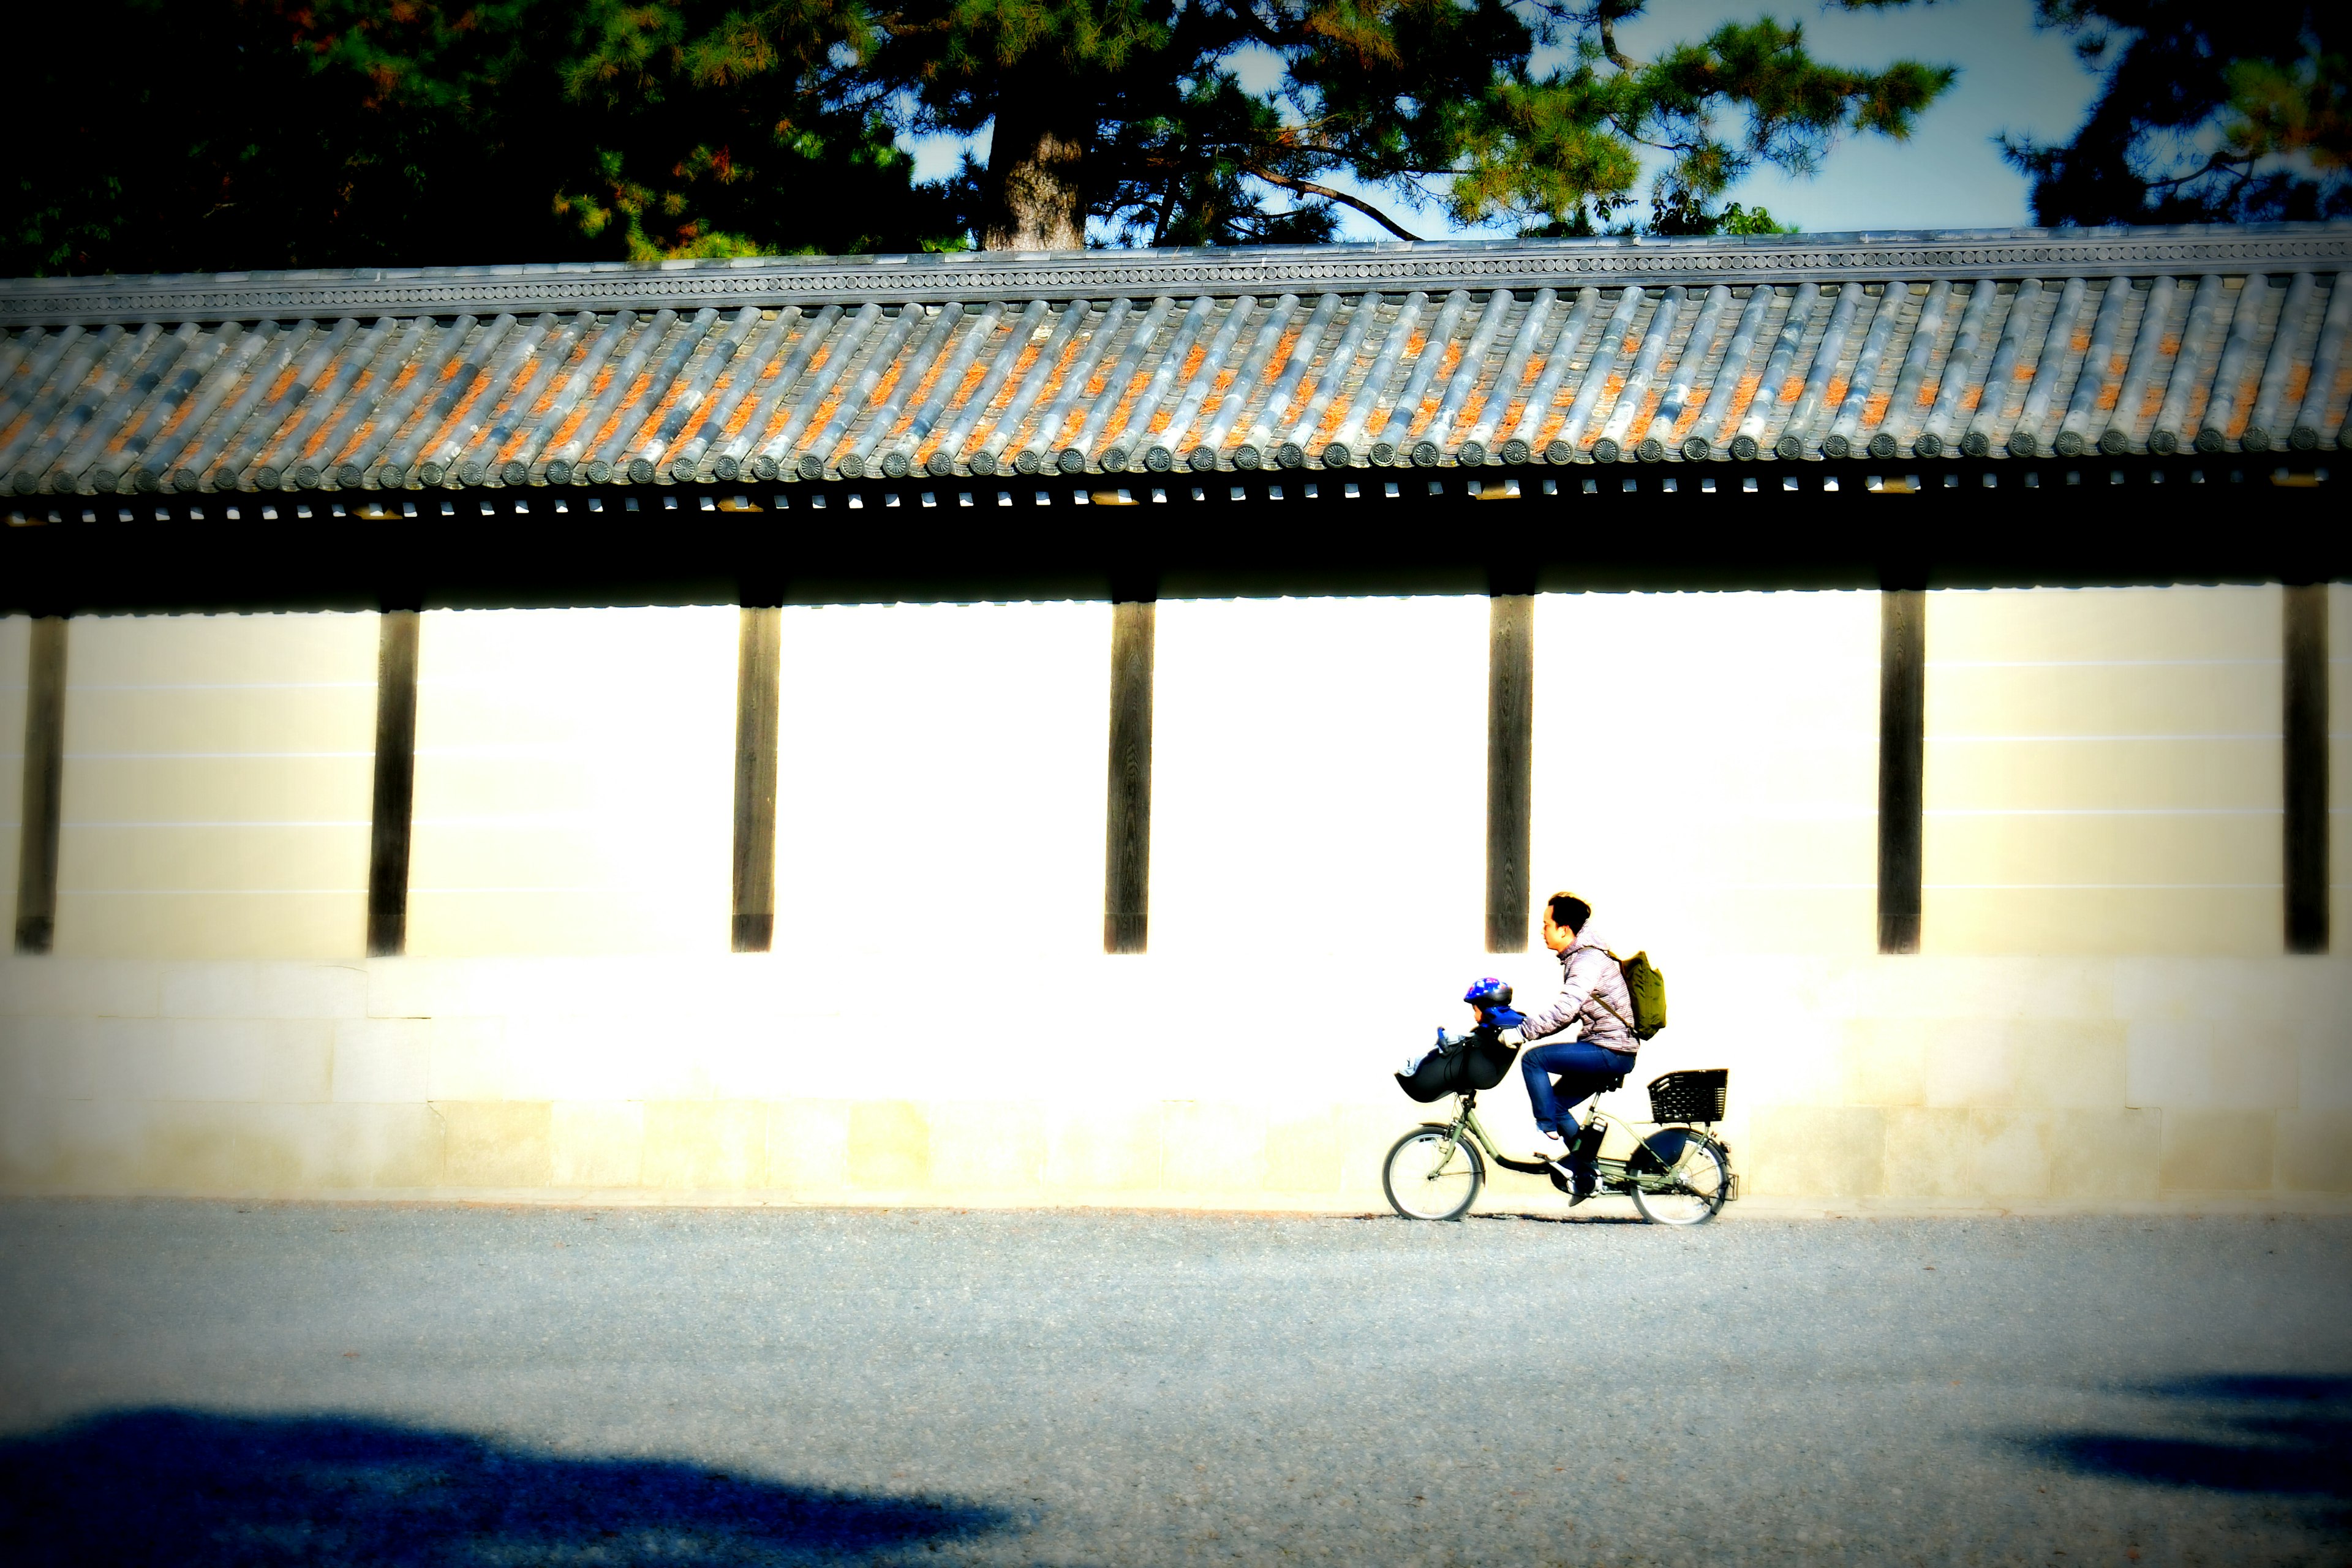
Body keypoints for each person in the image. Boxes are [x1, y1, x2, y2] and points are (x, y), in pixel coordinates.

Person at [1509, 891, 1637, 1197]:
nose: (1542, 931)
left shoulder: (1588, 959)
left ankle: (1545, 1129)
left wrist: (1525, 1034)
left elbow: (1566, 1008)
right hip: (1606, 1046)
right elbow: (1569, 1015)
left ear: (1564, 930)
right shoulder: (1580, 957)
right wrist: (1524, 1028)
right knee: (1555, 1103)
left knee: (1533, 1061)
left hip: (1611, 1050)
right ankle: (1586, 1171)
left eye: (1546, 924)